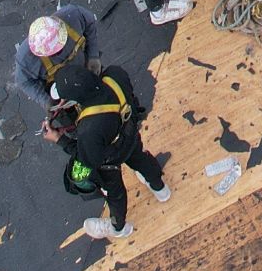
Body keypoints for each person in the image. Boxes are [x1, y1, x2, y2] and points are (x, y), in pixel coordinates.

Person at [42, 57, 170, 237]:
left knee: (115, 193)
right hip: (130, 134)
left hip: (111, 157)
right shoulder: (114, 74)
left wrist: (59, 139)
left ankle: (118, 228)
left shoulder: (88, 129)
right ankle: (160, 189)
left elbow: (88, 158)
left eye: (64, 98)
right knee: (141, 159)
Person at [12, 3, 103, 104]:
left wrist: (93, 55)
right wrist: (46, 101)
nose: (59, 53)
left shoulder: (74, 15)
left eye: (60, 47)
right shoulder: (25, 59)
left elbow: (90, 24)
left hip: (87, 69)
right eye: (53, 53)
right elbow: (24, 82)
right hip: (61, 95)